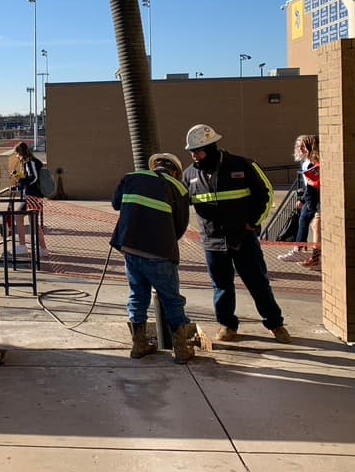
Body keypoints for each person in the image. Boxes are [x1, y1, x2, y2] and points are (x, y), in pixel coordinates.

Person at [182, 123, 292, 343]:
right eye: (192, 152)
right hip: (212, 242)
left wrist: (253, 223)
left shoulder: (242, 165)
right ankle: (227, 325)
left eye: (198, 151)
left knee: (257, 283)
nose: (194, 155)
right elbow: (180, 203)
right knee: (222, 286)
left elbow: (266, 193)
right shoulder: (189, 175)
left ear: (212, 147)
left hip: (243, 238)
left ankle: (275, 324)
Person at [110, 152, 196, 363]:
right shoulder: (178, 188)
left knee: (137, 297)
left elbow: (116, 204)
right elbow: (180, 227)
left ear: (154, 166)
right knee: (171, 300)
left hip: (131, 250)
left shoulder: (130, 177)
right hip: (160, 255)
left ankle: (138, 345)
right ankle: (181, 350)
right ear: (174, 172)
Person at [277, 135, 321, 268]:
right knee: (305, 222)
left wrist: (307, 202)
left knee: (314, 226)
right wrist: (302, 198)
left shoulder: (314, 163)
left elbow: (314, 185)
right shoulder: (306, 162)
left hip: (315, 201)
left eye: (302, 146)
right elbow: (309, 185)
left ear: (310, 147)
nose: (299, 149)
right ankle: (305, 253)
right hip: (310, 199)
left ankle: (306, 253)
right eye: (298, 146)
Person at [9, 141, 45, 254]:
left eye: (16, 154)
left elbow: (33, 178)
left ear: (20, 153)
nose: (16, 156)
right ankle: (43, 249)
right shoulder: (29, 162)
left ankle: (23, 246)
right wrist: (18, 186)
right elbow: (28, 180)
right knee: (33, 222)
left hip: (33, 196)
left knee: (18, 216)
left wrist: (21, 180)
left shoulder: (29, 162)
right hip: (32, 196)